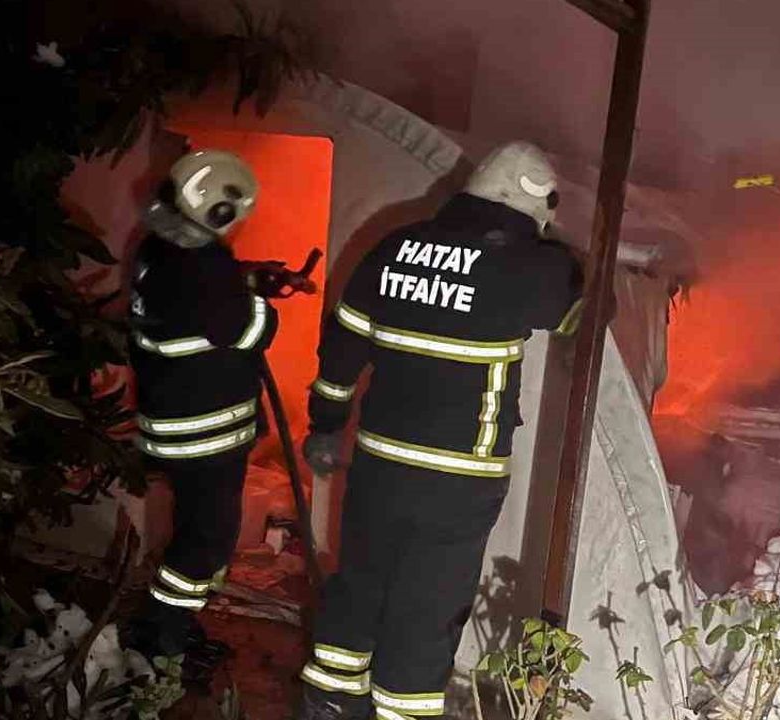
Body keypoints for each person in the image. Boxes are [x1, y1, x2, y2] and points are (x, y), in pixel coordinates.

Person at [296, 141, 584, 719]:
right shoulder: (529, 267)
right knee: (426, 609)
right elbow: (576, 307)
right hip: (459, 478)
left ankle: (328, 701)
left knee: (360, 583)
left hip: (379, 464)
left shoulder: (394, 246)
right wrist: (548, 247)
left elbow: (342, 350)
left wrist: (326, 425)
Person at [126, 149, 277, 662]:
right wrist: (261, 300)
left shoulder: (155, 248)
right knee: (207, 541)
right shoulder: (206, 264)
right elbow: (249, 331)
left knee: (194, 529)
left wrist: (242, 281)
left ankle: (172, 624)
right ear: (219, 211)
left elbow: (196, 308)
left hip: (170, 421)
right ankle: (162, 634)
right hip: (204, 433)